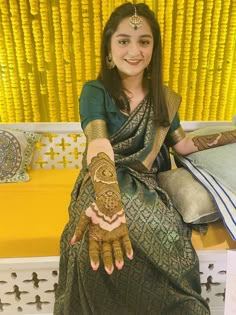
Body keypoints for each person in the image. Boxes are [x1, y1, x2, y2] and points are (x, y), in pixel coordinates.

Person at [54, 3, 236, 314]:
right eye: (124, 40)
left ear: (154, 49)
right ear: (109, 50)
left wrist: (233, 135)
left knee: (164, 238)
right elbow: (99, 145)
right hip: (103, 179)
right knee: (88, 249)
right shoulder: (95, 91)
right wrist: (109, 205)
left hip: (147, 185)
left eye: (144, 41)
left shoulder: (163, 97)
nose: (134, 50)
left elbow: (183, 147)